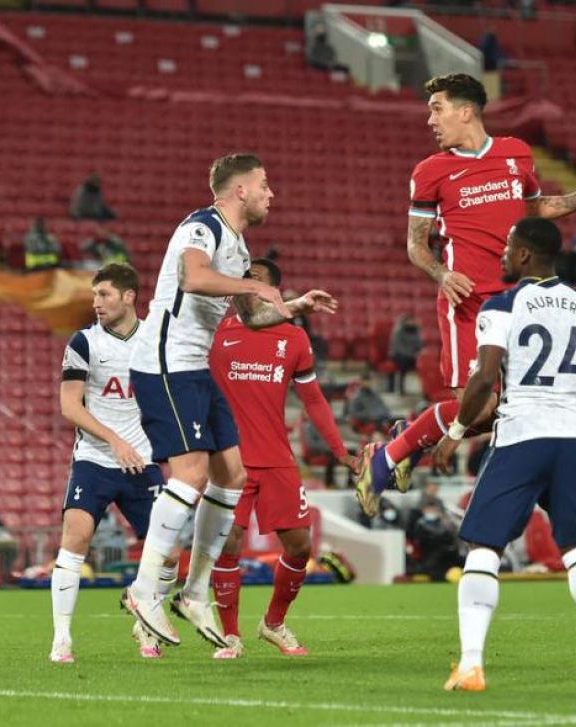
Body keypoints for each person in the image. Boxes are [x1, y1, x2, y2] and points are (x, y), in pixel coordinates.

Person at [356, 73, 576, 514]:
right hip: (467, 302)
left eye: (437, 108)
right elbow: (416, 243)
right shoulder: (430, 171)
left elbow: (537, 210)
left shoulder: (515, 153)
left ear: (465, 111)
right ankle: (388, 457)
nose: (430, 118)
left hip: (518, 304)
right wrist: (442, 274)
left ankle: (405, 440)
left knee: (498, 412)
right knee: (483, 405)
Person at [123, 153, 337, 650]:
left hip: (194, 366)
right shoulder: (203, 226)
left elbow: (247, 317)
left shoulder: (239, 246)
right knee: (193, 475)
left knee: (231, 476)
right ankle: (144, 588)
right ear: (239, 190)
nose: (271, 193)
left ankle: (195, 593)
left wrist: (293, 306)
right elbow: (193, 278)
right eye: (265, 184)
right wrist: (255, 283)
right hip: (165, 361)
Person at [431, 216, 576, 691]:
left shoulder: (502, 306)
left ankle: (470, 665)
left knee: (484, 548)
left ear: (525, 255)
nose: (503, 255)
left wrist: (456, 430)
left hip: (522, 433)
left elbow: (485, 378)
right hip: (573, 437)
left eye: (508, 248)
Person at [208, 258, 359, 659]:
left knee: (298, 546)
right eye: (243, 280)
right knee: (229, 544)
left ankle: (273, 623)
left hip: (275, 456)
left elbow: (313, 399)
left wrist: (340, 451)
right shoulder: (216, 330)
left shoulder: (294, 338)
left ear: (275, 291)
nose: (245, 285)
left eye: (254, 280)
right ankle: (230, 635)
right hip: (231, 457)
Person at [50, 263, 167, 663]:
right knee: (76, 537)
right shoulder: (84, 342)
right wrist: (114, 439)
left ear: (129, 296)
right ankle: (62, 639)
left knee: (167, 554)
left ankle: (144, 618)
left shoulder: (155, 338)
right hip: (95, 459)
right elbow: (69, 405)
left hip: (143, 462)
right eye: (95, 295)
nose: (96, 303)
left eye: (105, 295)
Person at [388, 313, 423, 395]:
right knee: (404, 363)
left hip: (412, 355)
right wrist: (411, 354)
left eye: (412, 320)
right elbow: (398, 347)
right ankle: (401, 388)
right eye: (409, 321)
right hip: (399, 354)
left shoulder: (416, 330)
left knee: (423, 362)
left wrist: (417, 352)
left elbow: (419, 344)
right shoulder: (398, 331)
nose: (411, 322)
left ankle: (425, 389)